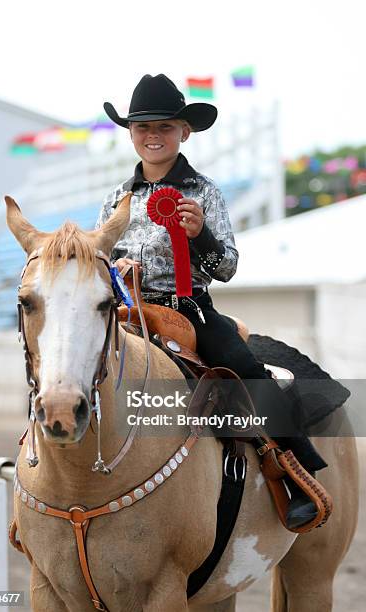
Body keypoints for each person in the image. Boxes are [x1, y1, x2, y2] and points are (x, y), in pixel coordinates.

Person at [96, 73, 326, 529]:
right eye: (143, 127)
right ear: (130, 134)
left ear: (185, 131)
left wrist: (200, 236)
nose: (153, 136)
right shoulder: (115, 198)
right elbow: (102, 257)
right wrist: (113, 272)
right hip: (127, 312)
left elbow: (226, 268)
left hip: (189, 310)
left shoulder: (204, 192)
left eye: (164, 126)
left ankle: (297, 469)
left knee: (244, 366)